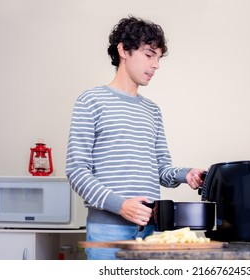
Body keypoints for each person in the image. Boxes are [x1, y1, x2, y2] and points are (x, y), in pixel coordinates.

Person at [65, 15, 205, 260]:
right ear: (123, 50)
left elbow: (161, 169)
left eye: (159, 58)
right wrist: (120, 205)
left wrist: (186, 174)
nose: (156, 65)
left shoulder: (152, 110)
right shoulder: (91, 101)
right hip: (107, 231)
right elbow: (77, 171)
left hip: (149, 230)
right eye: (149, 54)